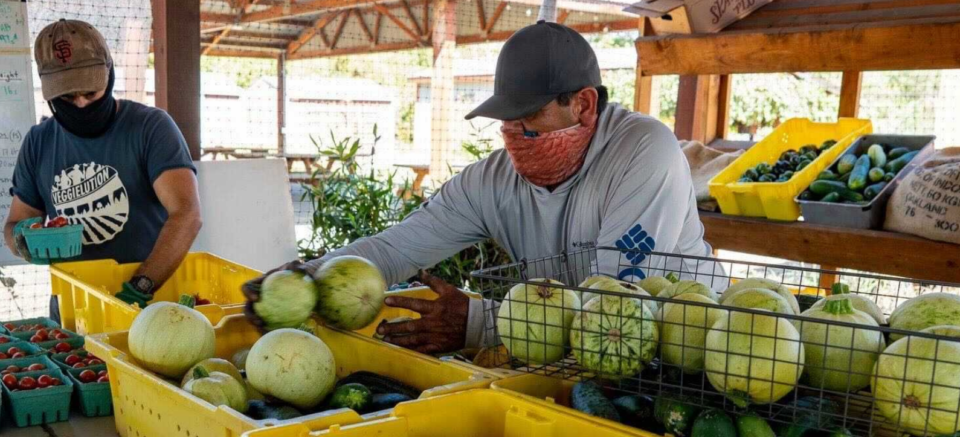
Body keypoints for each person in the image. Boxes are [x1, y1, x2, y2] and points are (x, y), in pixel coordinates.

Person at [246, 21, 716, 355]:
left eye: (529, 115)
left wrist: (478, 323)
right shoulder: (491, 182)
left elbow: (615, 313)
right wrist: (307, 277)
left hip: (691, 358)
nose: (513, 131)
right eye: (506, 118)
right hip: (570, 362)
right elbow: (395, 250)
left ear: (584, 105)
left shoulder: (643, 153)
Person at [3, 19, 202, 311]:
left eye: (91, 92)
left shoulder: (151, 128)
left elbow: (187, 214)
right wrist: (23, 238)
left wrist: (140, 287)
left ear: (108, 74)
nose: (81, 104)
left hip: (150, 304)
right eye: (67, 97)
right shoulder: (38, 142)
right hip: (74, 306)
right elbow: (14, 224)